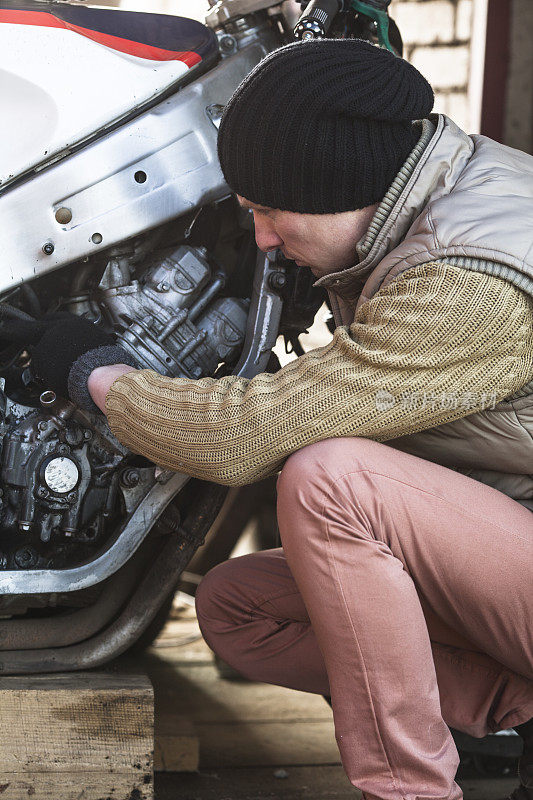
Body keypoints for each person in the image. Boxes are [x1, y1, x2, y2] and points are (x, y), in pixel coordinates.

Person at [16, 39, 533, 800]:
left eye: (266, 209)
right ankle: (515, 714)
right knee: (238, 610)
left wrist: (96, 372)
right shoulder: (437, 189)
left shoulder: (467, 281)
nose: (260, 237)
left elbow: (243, 438)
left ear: (331, 187)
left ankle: (408, 791)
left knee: (332, 481)